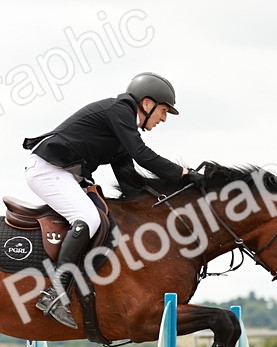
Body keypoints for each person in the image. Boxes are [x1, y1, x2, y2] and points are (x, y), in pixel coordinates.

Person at [22, 72, 201, 328]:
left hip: (64, 172)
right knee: (88, 218)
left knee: (103, 218)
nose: (163, 118)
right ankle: (56, 293)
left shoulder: (121, 126)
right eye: (163, 110)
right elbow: (142, 155)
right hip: (48, 169)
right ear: (147, 104)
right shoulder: (121, 110)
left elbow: (129, 181)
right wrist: (182, 174)